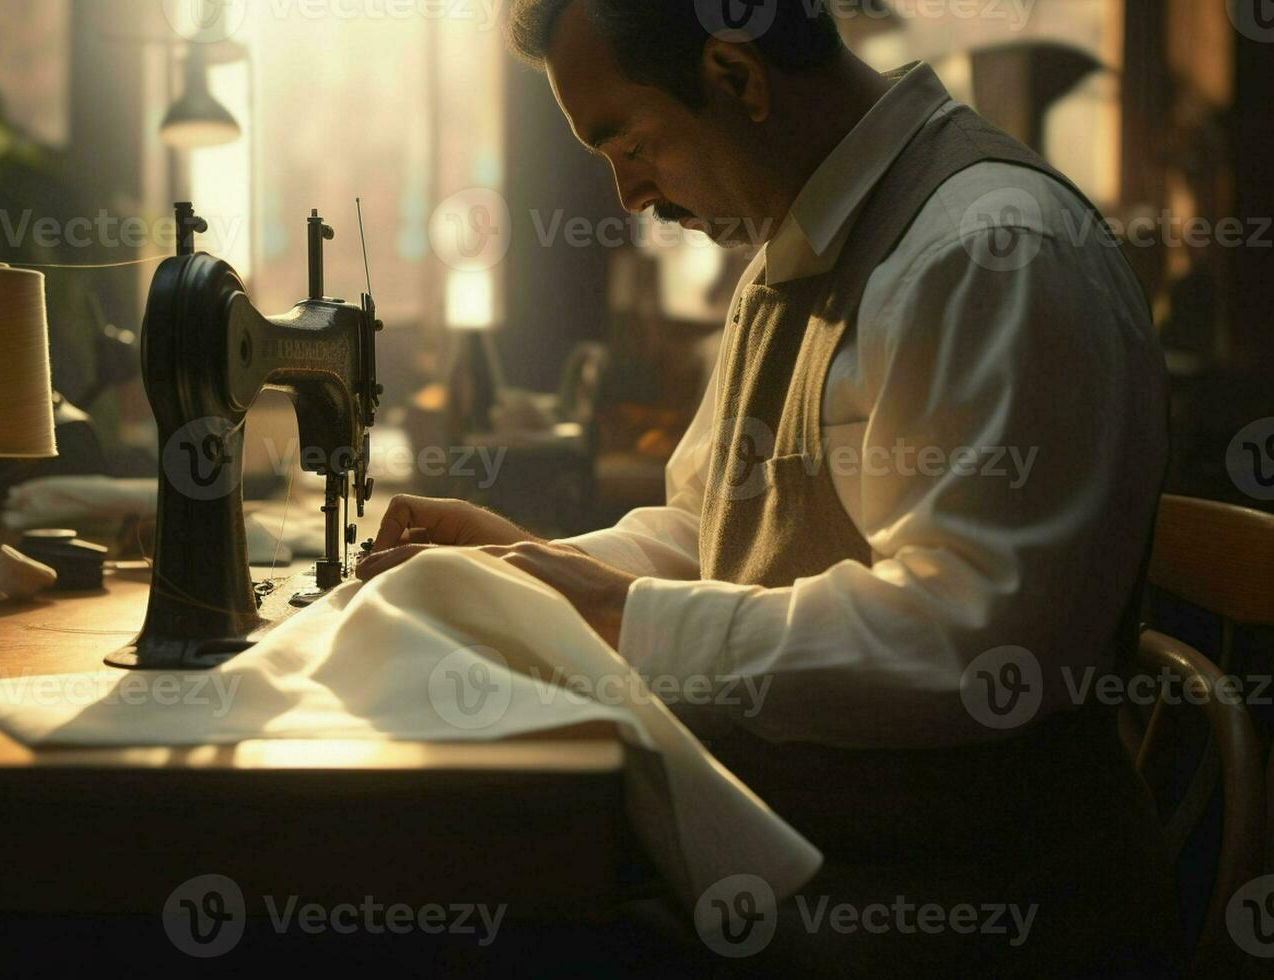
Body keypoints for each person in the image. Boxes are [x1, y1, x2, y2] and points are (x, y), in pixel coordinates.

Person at [358, 2, 1179, 975]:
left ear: (736, 77)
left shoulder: (986, 250)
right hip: (817, 853)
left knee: (436, 916)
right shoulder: (792, 254)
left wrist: (627, 615)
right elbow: (714, 523)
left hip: (959, 910)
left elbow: (975, 643)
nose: (625, 193)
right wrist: (537, 569)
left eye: (627, 140)